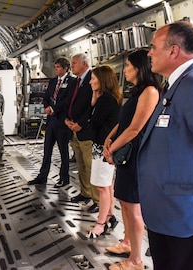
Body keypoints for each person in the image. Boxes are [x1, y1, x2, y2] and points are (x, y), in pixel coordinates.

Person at [138, 21, 193, 270]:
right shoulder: (177, 85)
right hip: (169, 214)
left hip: (187, 217)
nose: (149, 53)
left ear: (173, 51)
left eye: (153, 47)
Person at [103, 49, 160, 270]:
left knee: (133, 207)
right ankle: (127, 242)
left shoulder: (150, 91)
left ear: (139, 68)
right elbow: (125, 121)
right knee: (124, 203)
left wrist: (112, 149)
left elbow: (136, 128)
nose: (125, 70)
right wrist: (110, 137)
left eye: (128, 65)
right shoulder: (137, 92)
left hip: (136, 157)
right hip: (126, 156)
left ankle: (136, 261)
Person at [85, 65, 122, 238]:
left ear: (103, 80)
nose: (91, 82)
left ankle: (101, 224)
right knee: (108, 186)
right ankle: (109, 216)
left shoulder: (105, 100)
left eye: (93, 78)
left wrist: (89, 118)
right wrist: (94, 98)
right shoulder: (110, 98)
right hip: (105, 147)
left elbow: (94, 122)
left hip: (102, 147)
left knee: (102, 187)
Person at [27, 57, 76, 188]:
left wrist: (54, 108)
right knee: (47, 150)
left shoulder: (72, 82)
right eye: (55, 67)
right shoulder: (53, 81)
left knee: (63, 152)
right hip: (51, 121)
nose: (56, 70)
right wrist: (47, 106)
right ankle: (42, 176)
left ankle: (64, 178)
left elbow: (68, 100)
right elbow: (47, 96)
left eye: (58, 67)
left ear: (65, 68)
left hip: (62, 121)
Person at [65, 53, 98, 213]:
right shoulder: (75, 82)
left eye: (74, 63)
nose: (72, 66)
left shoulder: (93, 78)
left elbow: (93, 107)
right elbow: (68, 102)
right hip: (74, 130)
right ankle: (85, 192)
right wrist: (67, 119)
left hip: (86, 131)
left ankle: (97, 199)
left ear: (85, 64)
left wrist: (81, 124)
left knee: (91, 166)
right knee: (81, 165)